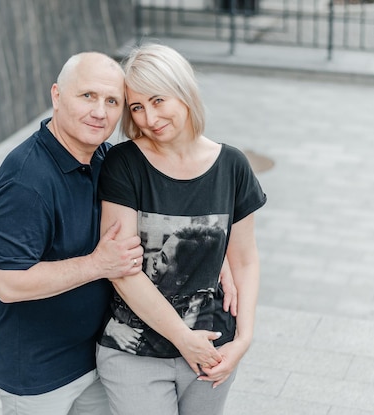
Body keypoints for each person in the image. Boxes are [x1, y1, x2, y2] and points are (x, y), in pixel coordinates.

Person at [95, 43, 267, 415]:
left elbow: (245, 260)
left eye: (158, 100)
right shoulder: (124, 164)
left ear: (184, 92)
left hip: (213, 347)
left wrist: (244, 338)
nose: (148, 118)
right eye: (137, 107)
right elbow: (122, 269)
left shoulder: (233, 166)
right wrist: (182, 339)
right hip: (134, 352)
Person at [0, 51, 145, 415]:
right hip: (37, 375)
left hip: (97, 360)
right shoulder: (26, 182)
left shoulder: (106, 158)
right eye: (87, 96)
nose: (100, 112)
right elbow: (9, 282)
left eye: (111, 101)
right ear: (57, 95)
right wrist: (98, 264)